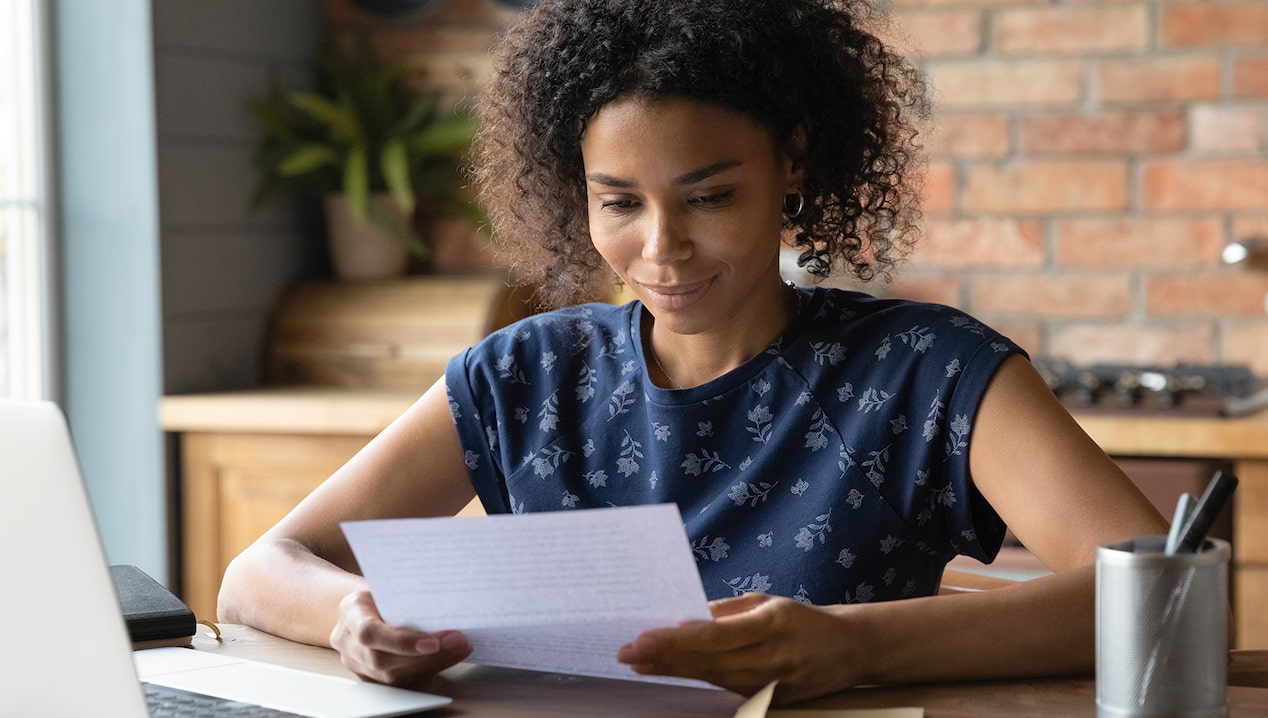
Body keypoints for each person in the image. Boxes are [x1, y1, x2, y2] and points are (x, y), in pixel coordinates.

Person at [218, 0, 1167, 704]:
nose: (661, 248)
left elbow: (1156, 592)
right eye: (620, 202)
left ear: (793, 162)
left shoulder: (927, 369)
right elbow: (262, 571)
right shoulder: (527, 375)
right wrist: (352, 618)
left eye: (709, 196)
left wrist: (851, 647)